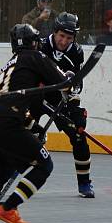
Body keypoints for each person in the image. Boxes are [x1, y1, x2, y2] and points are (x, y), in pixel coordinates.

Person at [0, 23, 67, 223]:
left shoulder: (10, 65)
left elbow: (14, 103)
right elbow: (62, 81)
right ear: (34, 42)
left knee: (4, 169)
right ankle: (9, 207)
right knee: (44, 165)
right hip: (7, 120)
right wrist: (71, 82)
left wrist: (33, 126)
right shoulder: (35, 57)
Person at [40, 12, 95, 198]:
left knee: (79, 135)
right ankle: (12, 171)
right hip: (36, 96)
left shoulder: (76, 52)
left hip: (59, 98)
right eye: (61, 36)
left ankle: (84, 183)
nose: (64, 41)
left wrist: (74, 106)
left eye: (69, 37)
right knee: (25, 134)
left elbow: (76, 84)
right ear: (54, 32)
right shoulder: (40, 45)